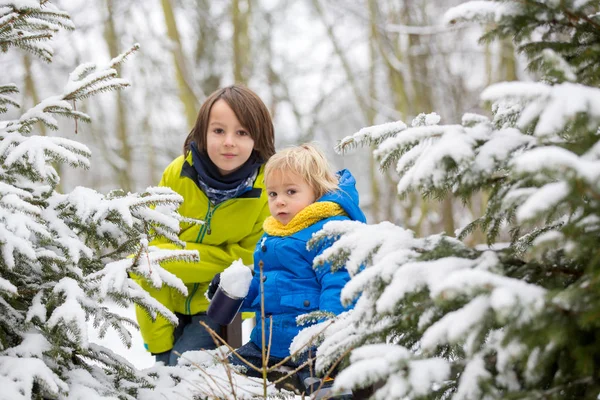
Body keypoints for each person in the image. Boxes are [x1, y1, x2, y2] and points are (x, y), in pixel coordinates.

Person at [133, 85, 275, 366]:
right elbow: (150, 257)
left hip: (219, 307)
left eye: (242, 132)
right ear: (202, 133)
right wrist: (158, 342)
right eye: (219, 131)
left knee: (182, 367)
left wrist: (179, 256)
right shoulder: (177, 174)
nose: (229, 142)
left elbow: (246, 261)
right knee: (164, 374)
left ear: (258, 139)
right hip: (164, 299)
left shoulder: (265, 189)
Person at [210, 143, 365, 397]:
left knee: (326, 388)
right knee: (223, 375)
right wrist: (235, 290)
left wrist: (327, 334)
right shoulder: (271, 236)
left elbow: (339, 284)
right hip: (265, 345)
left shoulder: (329, 232)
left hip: (312, 348)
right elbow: (265, 287)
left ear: (316, 191)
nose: (279, 201)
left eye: (291, 192)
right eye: (272, 194)